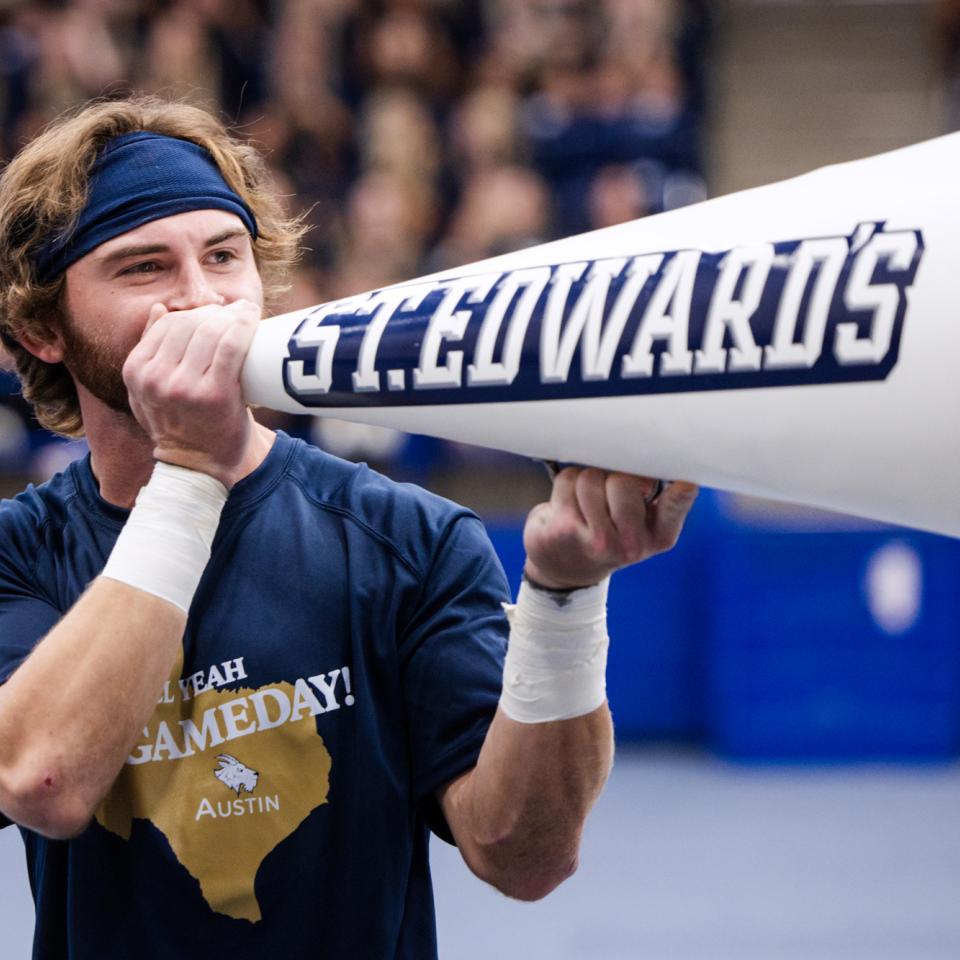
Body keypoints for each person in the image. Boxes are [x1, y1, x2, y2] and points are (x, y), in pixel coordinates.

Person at [0, 95, 697, 959]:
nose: (201, 301)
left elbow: (526, 857)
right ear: (41, 327)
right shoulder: (17, 554)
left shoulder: (408, 537)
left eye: (225, 256)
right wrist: (189, 472)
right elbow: (43, 779)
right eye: (143, 267)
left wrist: (564, 594)